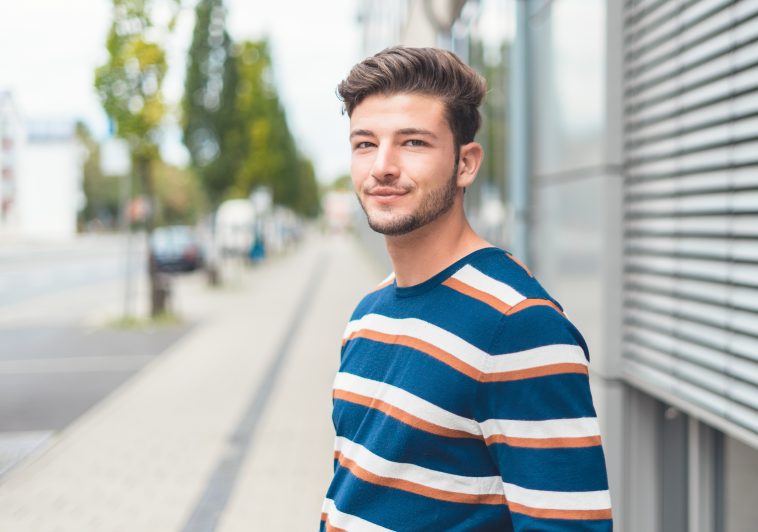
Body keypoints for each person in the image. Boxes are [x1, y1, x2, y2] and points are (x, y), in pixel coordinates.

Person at [320, 46, 613, 531]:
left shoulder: (518, 325)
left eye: (413, 142)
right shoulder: (367, 314)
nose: (383, 167)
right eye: (365, 144)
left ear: (466, 164)